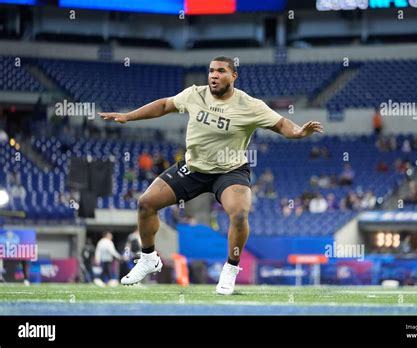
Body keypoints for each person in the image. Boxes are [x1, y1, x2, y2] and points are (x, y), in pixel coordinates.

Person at [99, 56, 324, 295]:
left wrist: (298, 131)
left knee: (238, 214)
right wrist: (128, 116)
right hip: (193, 168)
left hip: (229, 172)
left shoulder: (249, 105)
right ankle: (148, 259)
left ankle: (230, 269)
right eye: (211, 71)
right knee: (146, 203)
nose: (214, 75)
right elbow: (165, 105)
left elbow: (280, 124)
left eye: (220, 71)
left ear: (233, 76)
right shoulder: (195, 94)